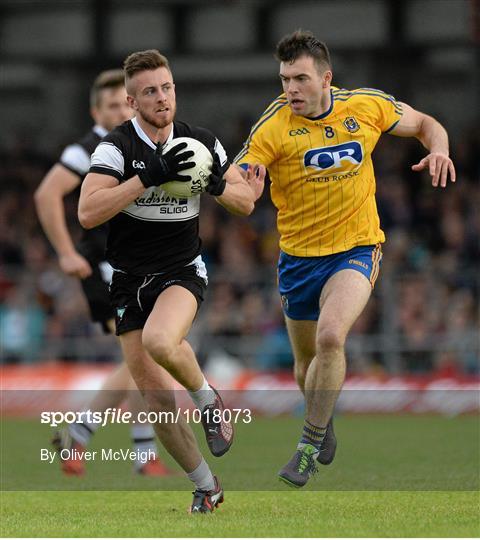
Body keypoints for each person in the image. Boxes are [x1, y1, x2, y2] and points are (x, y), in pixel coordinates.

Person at [235, 30, 456, 488]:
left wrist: (439, 149)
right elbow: (237, 180)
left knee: (331, 338)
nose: (290, 89)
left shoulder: (366, 106)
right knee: (305, 364)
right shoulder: (273, 126)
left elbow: (424, 123)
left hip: (357, 249)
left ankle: (309, 444)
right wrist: (240, 193)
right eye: (284, 79)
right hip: (297, 259)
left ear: (326, 79)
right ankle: (324, 416)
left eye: (299, 79)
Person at [78, 49, 260, 513]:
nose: (162, 98)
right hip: (127, 281)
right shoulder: (116, 148)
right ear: (132, 101)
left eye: (168, 88)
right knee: (157, 404)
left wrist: (216, 185)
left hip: (181, 270)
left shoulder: (201, 142)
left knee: (162, 340)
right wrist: (146, 178)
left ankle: (208, 401)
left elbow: (245, 201)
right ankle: (206, 486)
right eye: (150, 92)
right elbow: (87, 211)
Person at [34, 69, 170, 477]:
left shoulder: (133, 143)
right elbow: (46, 194)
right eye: (110, 105)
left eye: (123, 103)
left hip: (135, 265)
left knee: (143, 357)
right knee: (144, 354)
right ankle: (121, 447)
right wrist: (64, 252)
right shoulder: (89, 148)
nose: (119, 110)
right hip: (106, 267)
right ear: (96, 110)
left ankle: (99, 442)